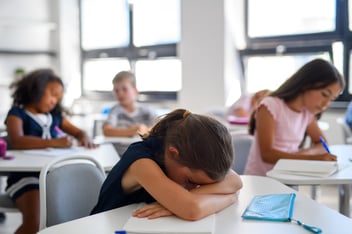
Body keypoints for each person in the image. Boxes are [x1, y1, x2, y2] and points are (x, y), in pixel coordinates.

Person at [91, 109, 243, 221]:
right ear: (173, 153)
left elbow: (235, 181)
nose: (193, 188)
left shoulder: (184, 154)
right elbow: (192, 210)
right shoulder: (141, 162)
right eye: (190, 181)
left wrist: (179, 201)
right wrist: (230, 197)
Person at [4, 68, 97, 234]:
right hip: (26, 178)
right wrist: (56, 142)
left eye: (58, 98)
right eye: (52, 94)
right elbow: (17, 140)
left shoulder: (55, 116)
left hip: (53, 178)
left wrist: (85, 137)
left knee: (68, 216)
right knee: (36, 222)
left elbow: (78, 132)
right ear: (36, 89)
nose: (55, 101)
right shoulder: (17, 113)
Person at [244, 59, 345, 176]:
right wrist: (311, 158)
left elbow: (322, 144)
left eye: (331, 99)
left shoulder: (307, 114)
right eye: (325, 95)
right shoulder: (270, 105)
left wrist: (303, 153)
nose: (326, 104)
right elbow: (267, 155)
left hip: (288, 178)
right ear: (307, 84)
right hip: (261, 180)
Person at [103, 71, 157, 154]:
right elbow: (107, 131)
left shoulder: (146, 111)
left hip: (143, 153)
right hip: (120, 154)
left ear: (135, 91)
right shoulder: (115, 110)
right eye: (116, 90)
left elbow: (159, 127)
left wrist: (145, 130)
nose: (120, 93)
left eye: (124, 89)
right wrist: (132, 131)